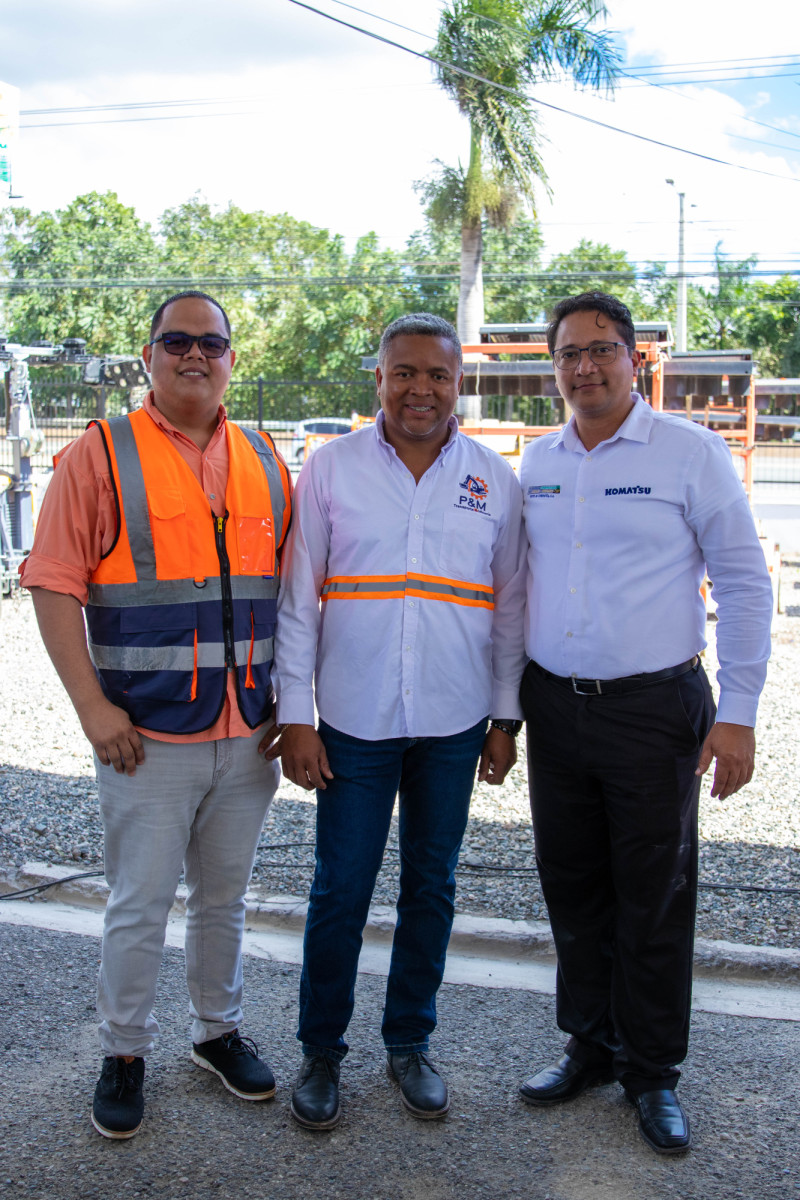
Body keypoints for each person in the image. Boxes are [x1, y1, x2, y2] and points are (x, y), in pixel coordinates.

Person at [20, 291, 292, 1140]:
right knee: (139, 904)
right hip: (145, 734)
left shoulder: (263, 455)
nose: (194, 355)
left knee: (224, 901)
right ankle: (124, 1050)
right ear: (149, 356)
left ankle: (216, 1033)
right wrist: (92, 707)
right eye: (176, 341)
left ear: (231, 360)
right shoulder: (100, 455)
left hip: (249, 730)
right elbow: (53, 581)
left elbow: (292, 594)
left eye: (210, 342)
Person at [517, 291, 773, 1154]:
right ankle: (589, 1044)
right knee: (573, 885)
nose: (585, 366)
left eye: (602, 350)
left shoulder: (690, 455)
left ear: (636, 358)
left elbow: (743, 583)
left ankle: (653, 1071)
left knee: (654, 896)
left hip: (655, 709)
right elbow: (519, 588)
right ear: (553, 366)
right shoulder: (539, 461)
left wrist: (736, 715)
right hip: (555, 705)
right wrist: (504, 711)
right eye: (568, 353)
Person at [270, 312, 527, 1130]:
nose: (422, 389)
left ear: (460, 383)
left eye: (438, 375)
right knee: (340, 889)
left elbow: (511, 608)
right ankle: (321, 1051)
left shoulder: (494, 478)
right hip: (351, 720)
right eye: (405, 372)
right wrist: (296, 717)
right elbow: (297, 600)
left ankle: (410, 1042)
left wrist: (504, 719)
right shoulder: (331, 469)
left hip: (454, 722)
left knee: (432, 888)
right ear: (378, 379)